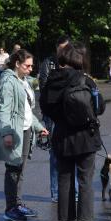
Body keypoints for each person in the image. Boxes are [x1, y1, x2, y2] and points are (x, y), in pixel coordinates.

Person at [40, 42, 104, 221]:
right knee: (85, 178)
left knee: (64, 177)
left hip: (61, 135)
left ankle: (65, 220)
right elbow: (99, 107)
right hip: (85, 135)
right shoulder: (85, 79)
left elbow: (44, 107)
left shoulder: (51, 80)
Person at [0, 49, 49, 221]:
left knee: (20, 170)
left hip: (26, 130)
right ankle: (10, 208)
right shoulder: (8, 81)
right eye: (27, 65)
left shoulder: (23, 80)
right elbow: (4, 110)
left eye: (32, 65)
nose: (30, 69)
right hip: (14, 131)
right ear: (17, 64)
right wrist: (7, 133)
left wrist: (39, 127)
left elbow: (26, 110)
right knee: (13, 170)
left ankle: (17, 204)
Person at [39, 35, 71, 202]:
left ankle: (75, 192)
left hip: (71, 114)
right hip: (53, 115)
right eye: (60, 49)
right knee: (55, 154)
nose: (63, 52)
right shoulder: (48, 63)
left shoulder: (74, 62)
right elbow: (44, 89)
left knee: (74, 152)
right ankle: (56, 193)